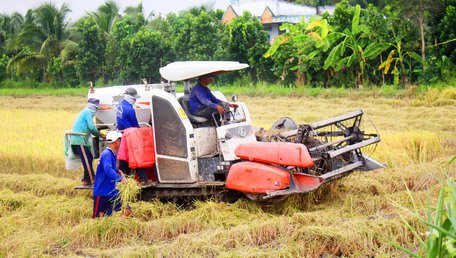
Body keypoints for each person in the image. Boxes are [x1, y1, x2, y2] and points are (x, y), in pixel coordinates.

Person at [116, 87, 150, 186]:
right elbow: (135, 125)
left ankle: (123, 179)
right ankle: (144, 179)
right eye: (134, 99)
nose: (135, 101)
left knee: (124, 158)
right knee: (135, 157)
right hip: (130, 136)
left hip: (122, 134)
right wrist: (142, 134)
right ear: (129, 97)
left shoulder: (120, 106)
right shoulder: (129, 109)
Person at [92, 131, 129, 218]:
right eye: (119, 140)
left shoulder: (111, 154)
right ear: (116, 142)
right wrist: (120, 178)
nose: (120, 142)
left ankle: (117, 226)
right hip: (102, 192)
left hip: (111, 191)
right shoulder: (107, 154)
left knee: (127, 209)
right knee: (98, 219)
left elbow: (110, 168)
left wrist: (117, 171)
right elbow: (108, 170)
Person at [70, 98, 103, 186]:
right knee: (87, 159)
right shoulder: (87, 112)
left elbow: (91, 128)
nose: (95, 112)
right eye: (96, 109)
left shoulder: (85, 112)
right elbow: (92, 128)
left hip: (79, 139)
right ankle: (92, 179)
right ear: (93, 107)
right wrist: (101, 135)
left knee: (89, 157)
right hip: (78, 139)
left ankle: (86, 179)